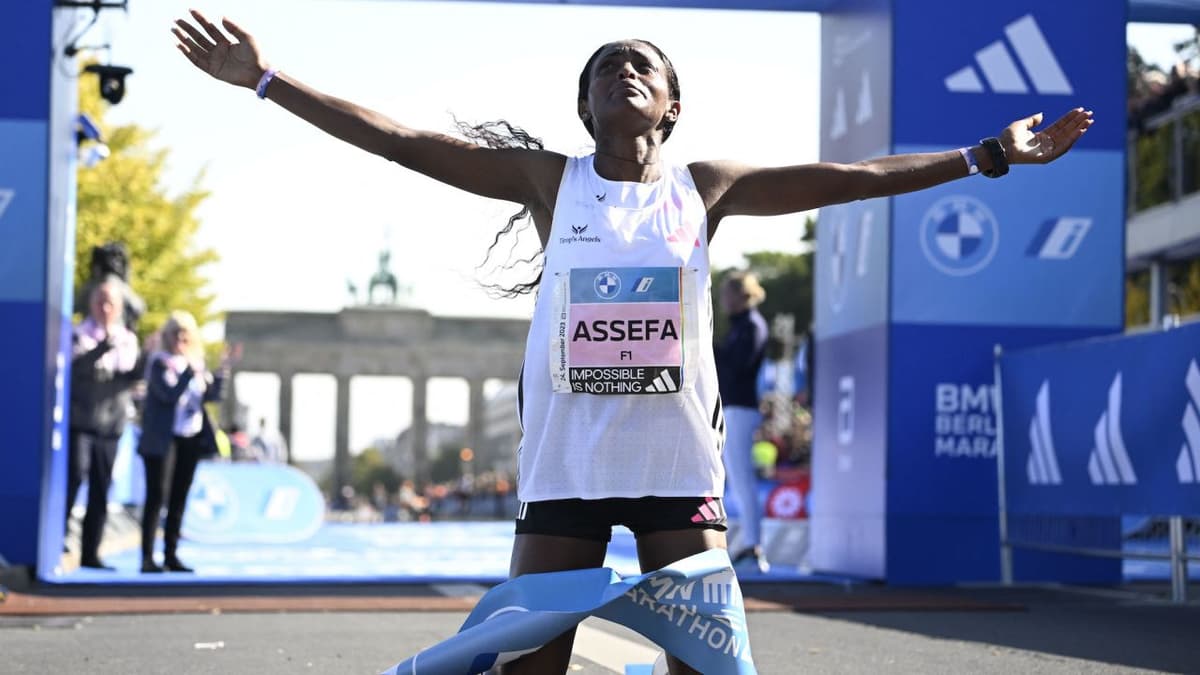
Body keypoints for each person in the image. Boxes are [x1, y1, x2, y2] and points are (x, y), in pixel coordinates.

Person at [170, 10, 1092, 672]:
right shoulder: (548, 179)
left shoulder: (706, 186)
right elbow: (403, 142)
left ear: (671, 108)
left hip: (678, 460)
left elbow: (847, 176)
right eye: (605, 67)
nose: (624, 72)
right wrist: (265, 79)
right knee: (530, 663)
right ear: (585, 108)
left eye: (642, 66)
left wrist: (985, 155)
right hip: (566, 462)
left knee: (704, 664)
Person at [136, 310, 234, 573]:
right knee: (157, 497)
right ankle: (147, 556)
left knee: (179, 497)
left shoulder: (197, 364)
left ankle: (171, 553)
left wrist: (222, 371)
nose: (180, 338)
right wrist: (186, 376)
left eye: (185, 333)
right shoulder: (159, 363)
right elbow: (167, 395)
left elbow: (210, 396)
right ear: (167, 336)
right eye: (175, 333)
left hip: (190, 438)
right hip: (163, 439)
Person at [65, 279, 143, 570]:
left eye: (111, 302)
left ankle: (91, 552)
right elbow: (78, 369)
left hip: (111, 425)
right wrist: (102, 347)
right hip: (82, 421)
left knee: (101, 488)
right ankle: (59, 536)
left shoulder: (127, 338)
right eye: (101, 301)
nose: (105, 307)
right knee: (75, 476)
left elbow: (131, 376)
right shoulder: (78, 333)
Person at [714, 271, 771, 574]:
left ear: (740, 295)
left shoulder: (751, 326)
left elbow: (738, 367)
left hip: (740, 408)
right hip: (732, 407)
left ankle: (753, 545)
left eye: (727, 294)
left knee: (741, 478)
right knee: (734, 479)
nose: (723, 300)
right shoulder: (742, 327)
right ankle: (748, 543)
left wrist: (709, 346)